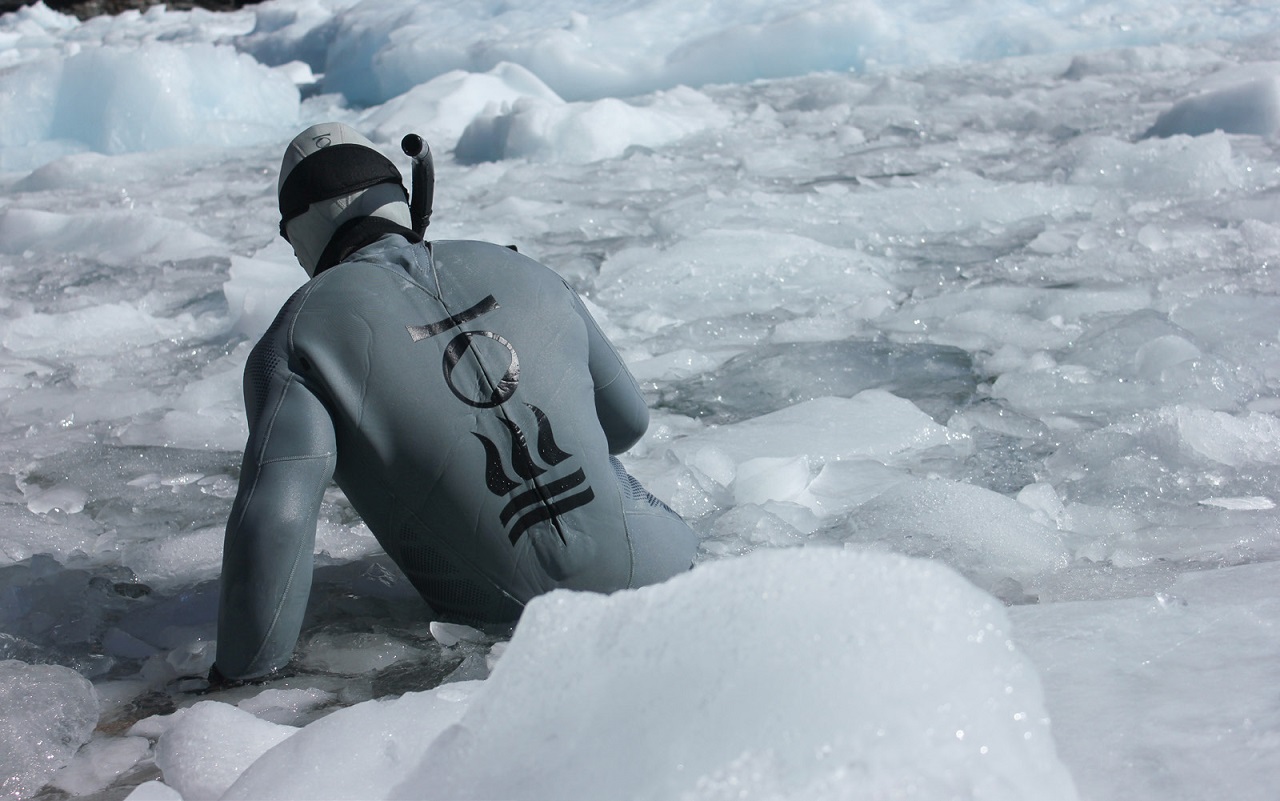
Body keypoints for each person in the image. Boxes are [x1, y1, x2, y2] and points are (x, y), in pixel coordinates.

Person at [211, 122, 698, 682]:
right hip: (680, 573)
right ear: (407, 201)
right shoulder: (522, 268)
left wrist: (235, 685)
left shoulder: (298, 338)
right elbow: (627, 423)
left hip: (521, 640)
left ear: (299, 236)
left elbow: (273, 525)